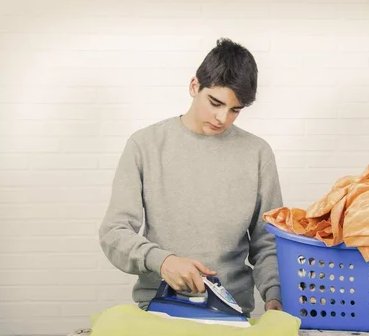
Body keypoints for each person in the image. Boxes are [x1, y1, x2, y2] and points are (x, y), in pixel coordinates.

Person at [98, 38, 283, 316]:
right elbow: (114, 232)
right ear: (194, 86)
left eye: (235, 110)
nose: (223, 118)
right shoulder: (145, 145)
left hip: (232, 313)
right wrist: (163, 261)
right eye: (215, 102)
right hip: (159, 309)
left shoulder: (257, 153)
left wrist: (275, 296)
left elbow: (267, 241)